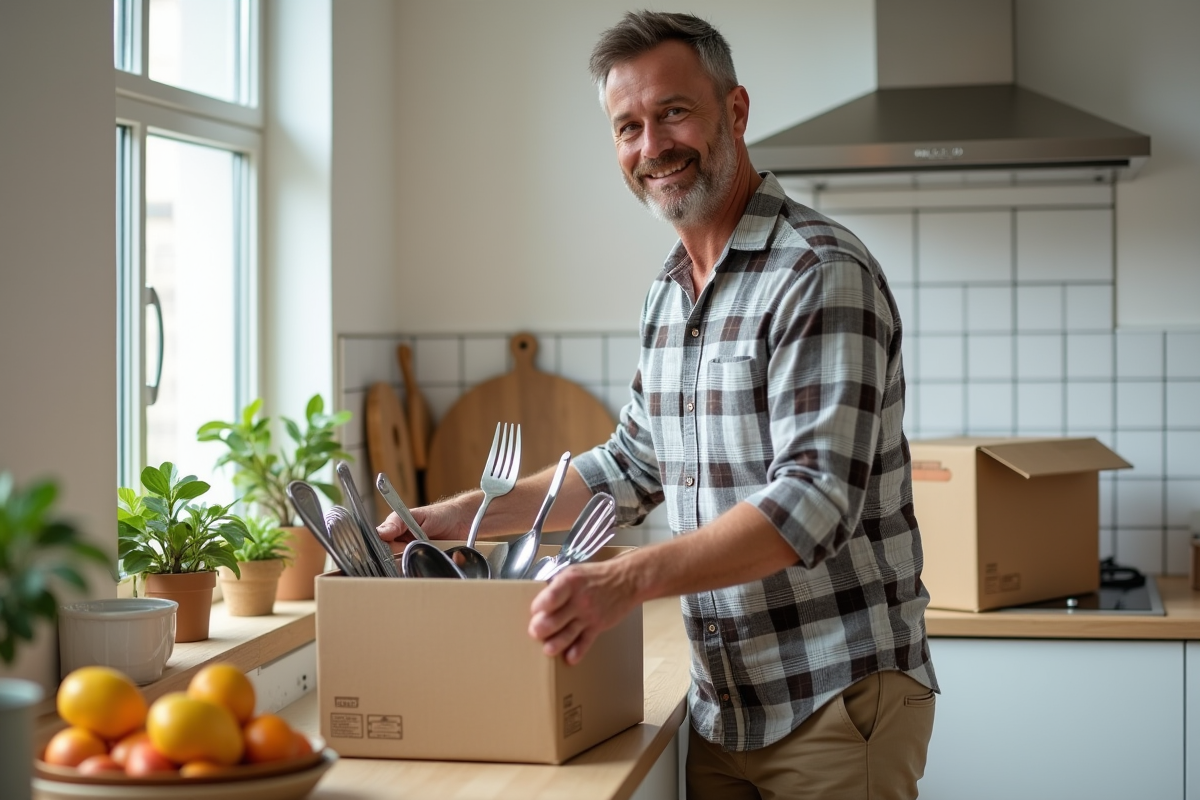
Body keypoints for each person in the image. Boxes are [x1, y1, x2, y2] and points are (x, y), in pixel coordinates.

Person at [379, 10, 937, 799]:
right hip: (725, 703)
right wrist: (458, 518)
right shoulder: (670, 292)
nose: (652, 147)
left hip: (832, 698)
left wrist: (626, 580)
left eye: (673, 112)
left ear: (734, 113)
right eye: (627, 127)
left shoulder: (818, 270)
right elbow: (632, 465)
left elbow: (814, 502)